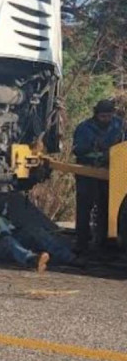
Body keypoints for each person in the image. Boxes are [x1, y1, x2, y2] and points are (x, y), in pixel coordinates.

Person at [0, 201, 78, 271]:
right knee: (8, 241)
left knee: (34, 231)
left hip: (13, 236)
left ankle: (69, 258)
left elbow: (13, 226)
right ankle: (32, 259)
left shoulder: (1, 212)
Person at [72, 99, 125, 252]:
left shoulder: (120, 126)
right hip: (87, 172)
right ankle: (82, 241)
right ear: (96, 115)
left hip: (112, 173)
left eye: (108, 116)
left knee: (107, 207)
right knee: (84, 206)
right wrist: (95, 149)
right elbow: (78, 150)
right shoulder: (84, 128)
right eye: (103, 116)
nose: (106, 120)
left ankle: (106, 241)